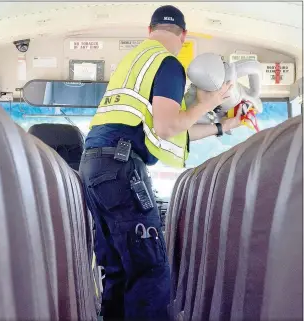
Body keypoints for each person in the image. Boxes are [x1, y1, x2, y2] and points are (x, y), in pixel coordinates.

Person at [79, 5, 242, 321]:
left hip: (95, 167)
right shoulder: (168, 63)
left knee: (117, 272)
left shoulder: (133, 62)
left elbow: (169, 130)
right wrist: (207, 103)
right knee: (150, 271)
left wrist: (223, 127)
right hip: (121, 167)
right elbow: (169, 126)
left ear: (149, 30)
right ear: (183, 36)